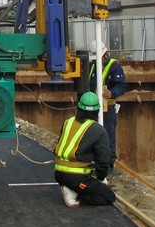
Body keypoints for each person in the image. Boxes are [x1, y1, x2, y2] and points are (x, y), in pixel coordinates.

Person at [54, 92, 116, 207]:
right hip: (76, 177)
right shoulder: (98, 129)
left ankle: (71, 187)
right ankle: (76, 198)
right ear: (97, 110)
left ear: (79, 108)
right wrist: (101, 178)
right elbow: (103, 159)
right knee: (108, 196)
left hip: (58, 173)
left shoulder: (68, 122)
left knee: (85, 184)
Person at [88, 40, 127, 175]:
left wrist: (112, 93)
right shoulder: (92, 66)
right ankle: (95, 161)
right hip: (92, 108)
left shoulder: (114, 67)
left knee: (108, 136)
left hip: (107, 108)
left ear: (104, 55)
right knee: (93, 136)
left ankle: (109, 164)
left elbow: (121, 85)